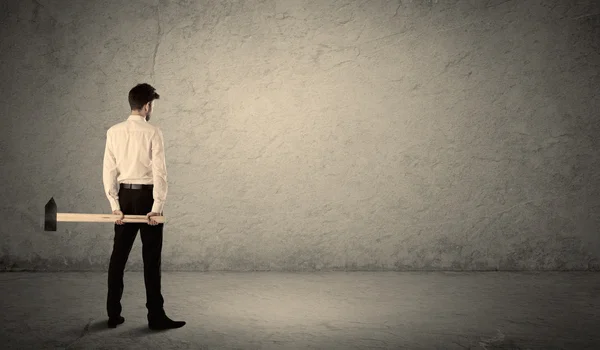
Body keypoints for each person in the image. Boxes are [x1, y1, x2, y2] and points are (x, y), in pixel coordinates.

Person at [102, 83, 185, 330]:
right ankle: (155, 317)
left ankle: (113, 315)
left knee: (118, 257)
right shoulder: (153, 131)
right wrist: (157, 205)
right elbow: (160, 172)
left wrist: (114, 205)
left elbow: (109, 170)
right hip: (148, 197)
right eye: (152, 105)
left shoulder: (113, 132)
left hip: (125, 198)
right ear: (147, 106)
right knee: (151, 259)